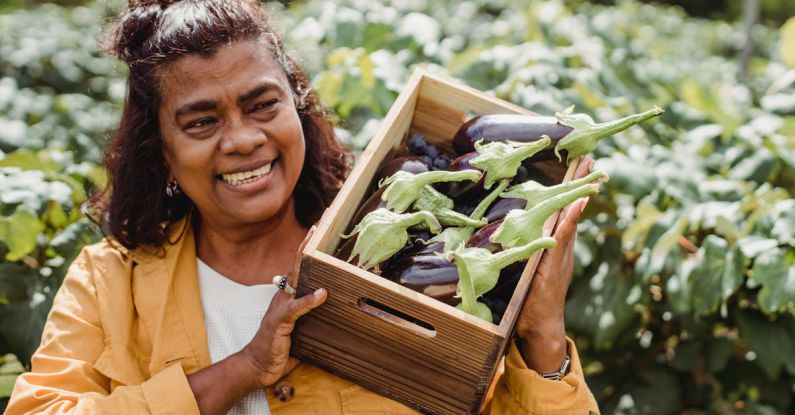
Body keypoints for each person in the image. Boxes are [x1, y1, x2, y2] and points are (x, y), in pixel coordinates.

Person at [7, 0, 600, 413]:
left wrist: (542, 334)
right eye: (202, 120)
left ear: (298, 109)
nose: (241, 139)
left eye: (262, 104)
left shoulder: (400, 255)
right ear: (160, 149)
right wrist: (242, 368)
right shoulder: (108, 282)